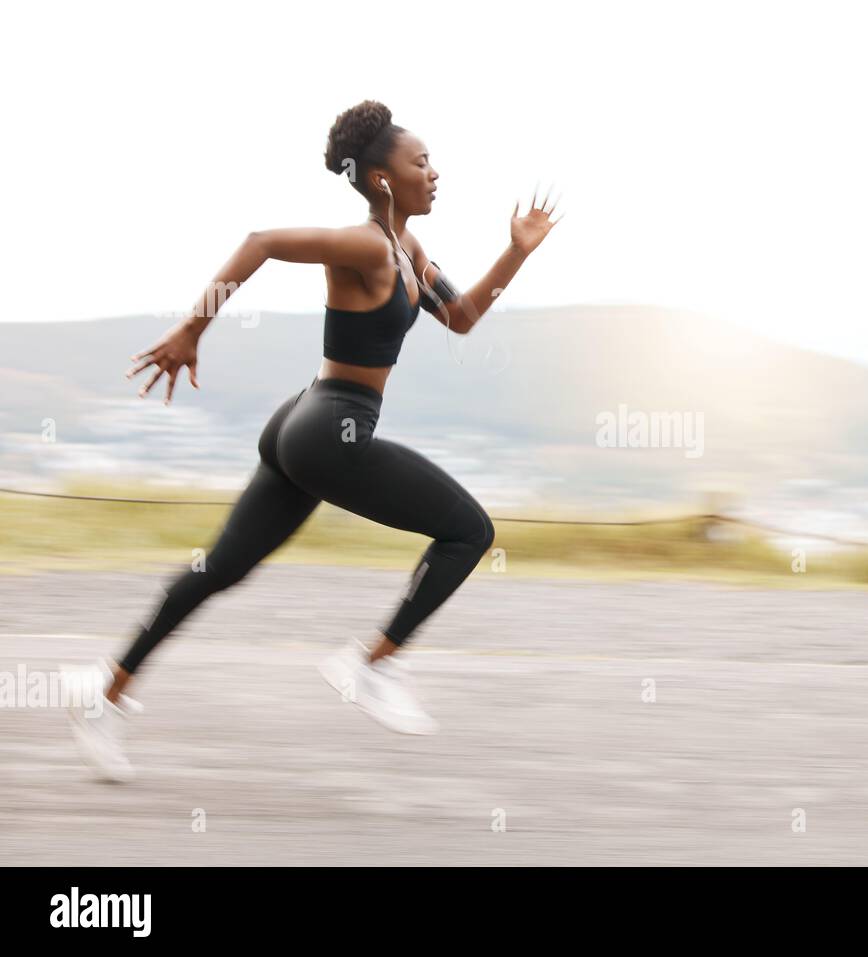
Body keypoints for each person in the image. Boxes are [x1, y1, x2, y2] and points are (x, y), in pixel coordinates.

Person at [64, 99, 563, 781]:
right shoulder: (365, 244)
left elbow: (463, 317)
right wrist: (190, 330)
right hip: (332, 429)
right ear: (383, 179)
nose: (435, 172)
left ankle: (105, 692)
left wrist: (516, 251)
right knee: (470, 530)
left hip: (306, 421)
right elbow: (262, 241)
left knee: (223, 568)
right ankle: (370, 663)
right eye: (421, 162)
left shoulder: (408, 250)